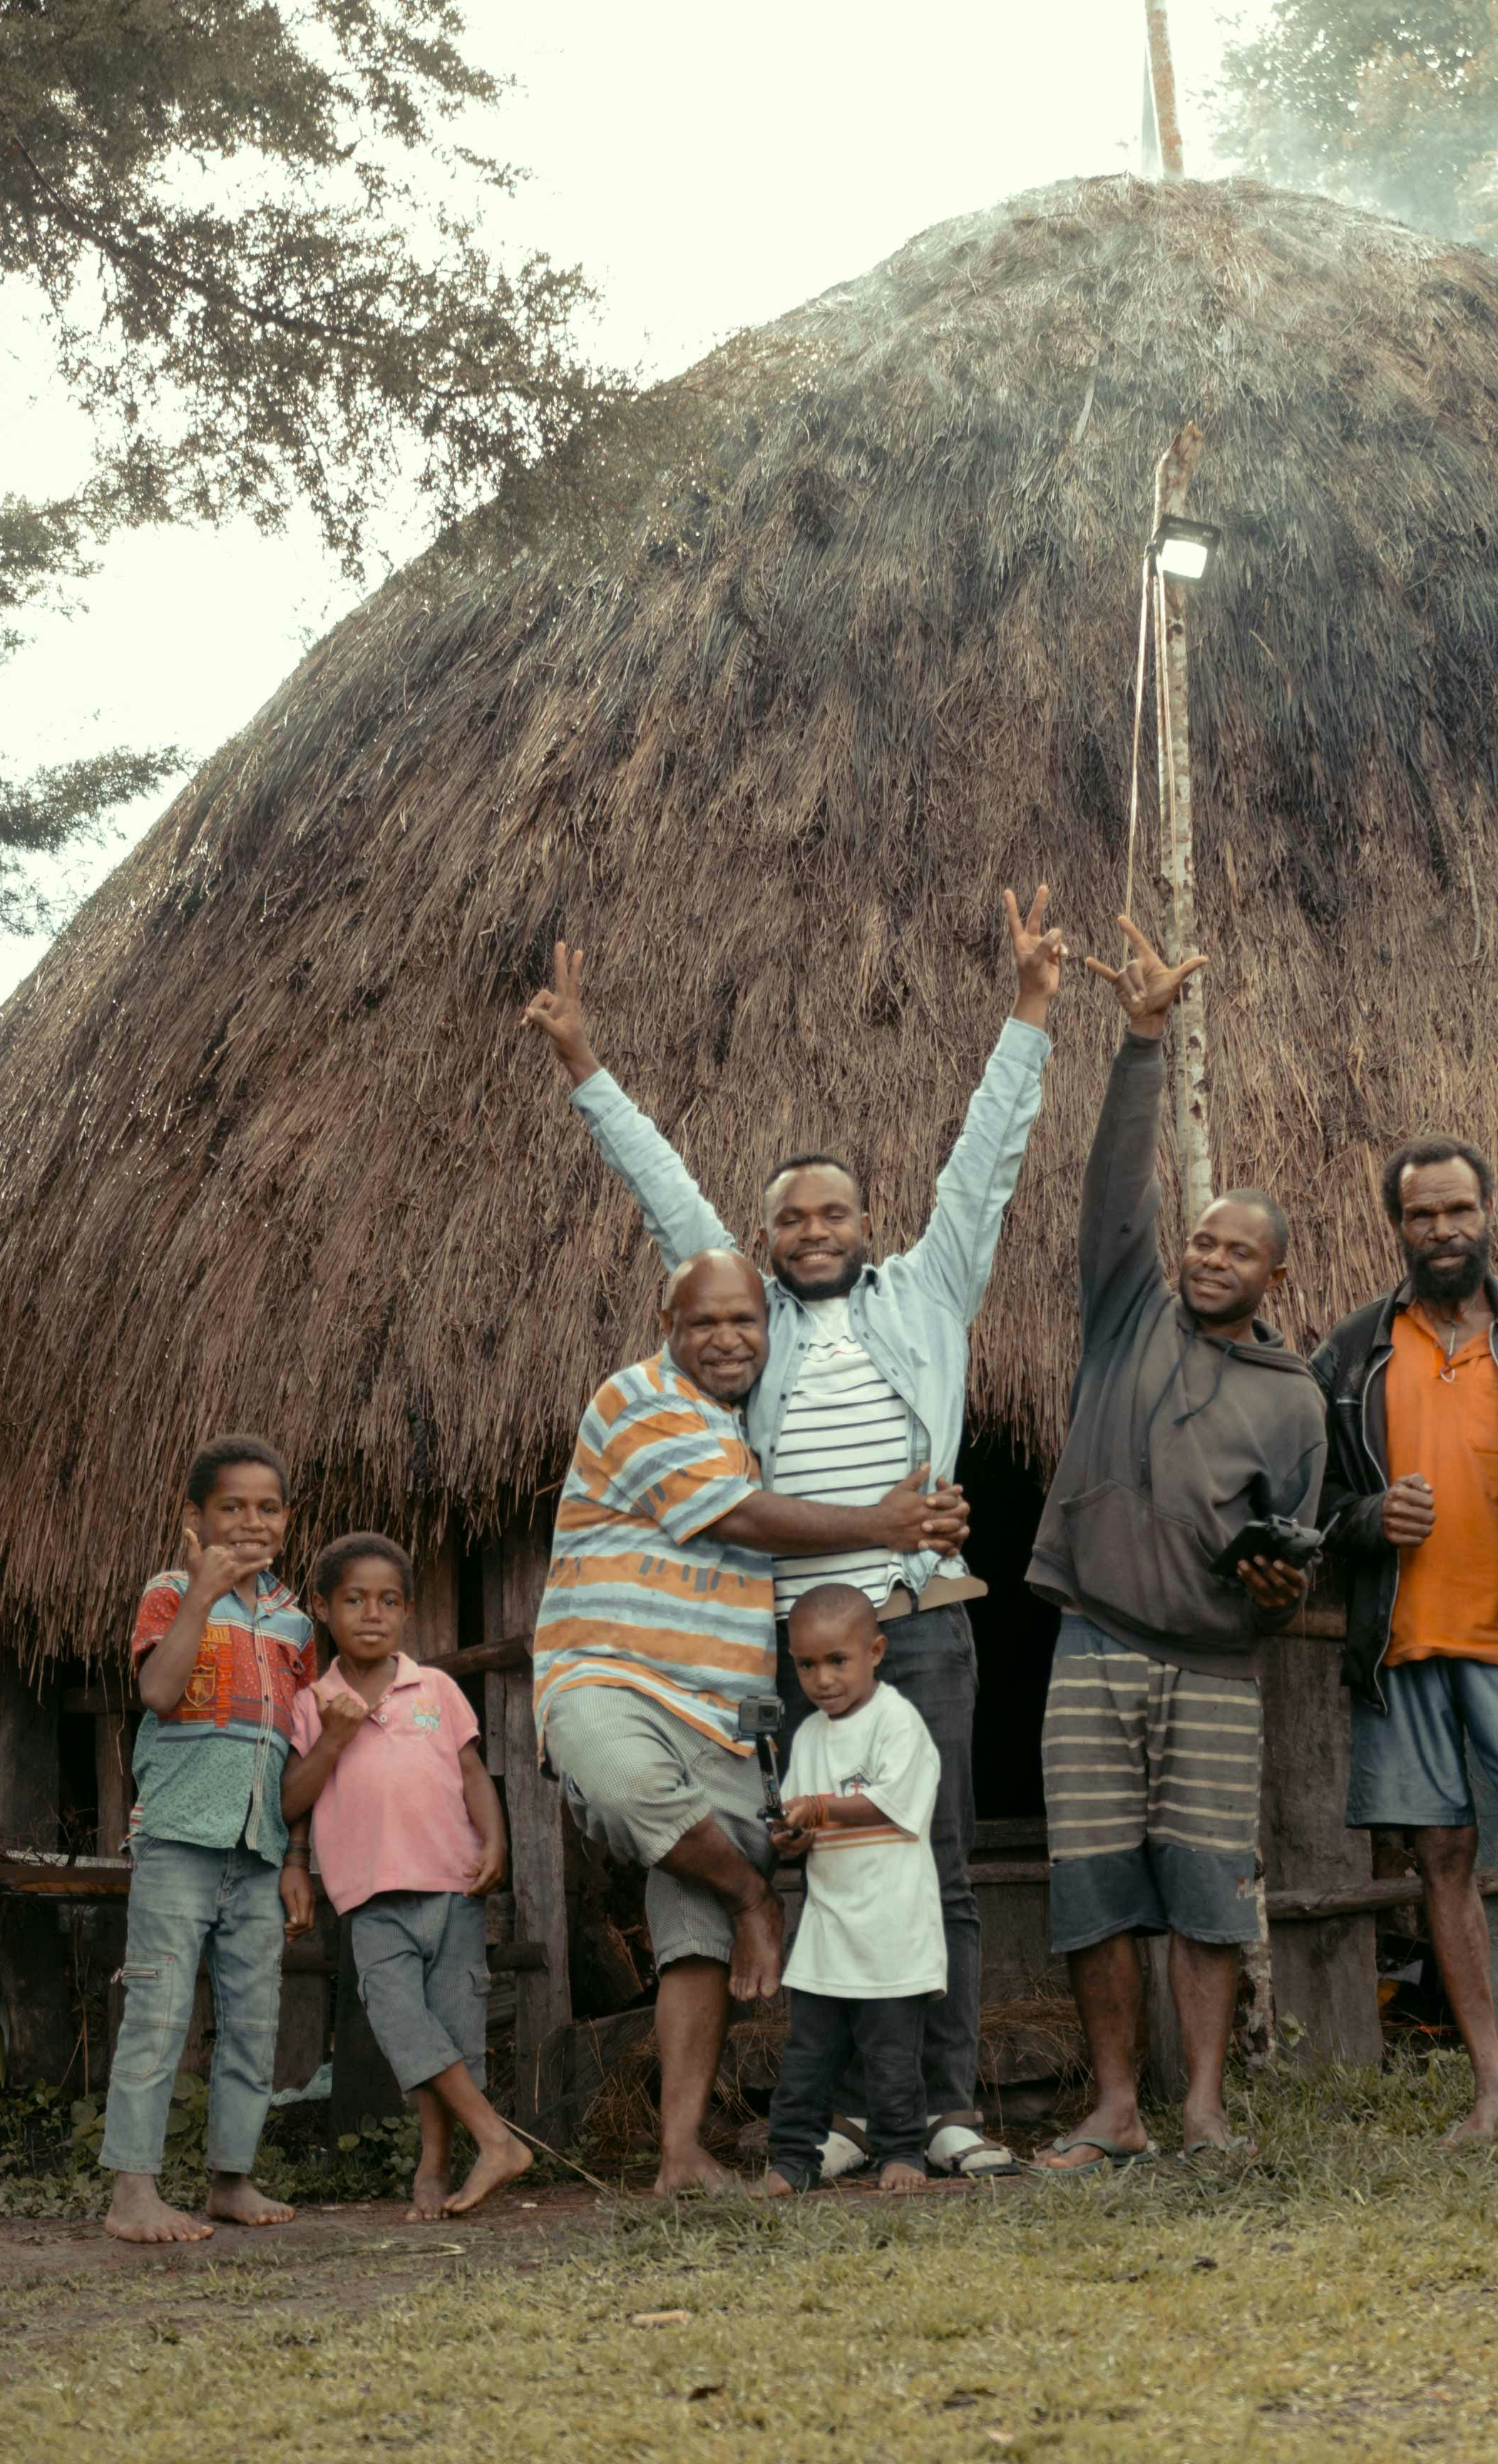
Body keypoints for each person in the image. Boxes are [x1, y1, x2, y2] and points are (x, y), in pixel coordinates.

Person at [521, 888, 1064, 2181]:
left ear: (865, 1225)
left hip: (912, 1622)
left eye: (831, 1214)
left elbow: (984, 1160)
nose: (810, 1233)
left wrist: (1030, 1009)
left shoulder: (929, 1294)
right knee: (820, 1863)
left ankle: (931, 2108)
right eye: (788, 1222)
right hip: (781, 1639)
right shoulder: (742, 1328)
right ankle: (830, 2116)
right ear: (761, 1244)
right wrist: (584, 1064)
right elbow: (664, 1194)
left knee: (929, 1865)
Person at [535, 1246, 969, 2194]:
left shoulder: (754, 1427)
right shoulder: (637, 1401)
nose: (728, 1338)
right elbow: (741, 1519)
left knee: (690, 1920)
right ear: (668, 1327)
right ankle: (756, 1899)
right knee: (633, 1794)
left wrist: (932, 1516)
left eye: (745, 1322)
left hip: (722, 1710)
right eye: (705, 1323)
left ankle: (682, 2152)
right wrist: (883, 1524)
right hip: (611, 1673)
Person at [1025, 917, 1325, 2175]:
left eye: (1233, 1249)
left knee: (1205, 1888)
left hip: (1213, 1667)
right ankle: (1113, 2108)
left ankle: (1199, 2109)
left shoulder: (1295, 1397)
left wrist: (1275, 1578)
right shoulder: (1121, 1312)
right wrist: (1140, 1038)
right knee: (1093, 1881)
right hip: (1091, 1642)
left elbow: (1296, 1556)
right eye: (1198, 1238)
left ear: (1271, 1273)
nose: (1207, 1257)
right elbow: (1112, 1183)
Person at [1311, 1139, 1498, 2145]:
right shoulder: (1355, 1353)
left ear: (1490, 1212)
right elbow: (1313, 1507)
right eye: (1420, 1217)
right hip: (1402, 1648)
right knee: (1441, 1854)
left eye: (1458, 1212)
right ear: (1395, 1227)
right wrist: (1368, 1521)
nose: (1442, 1232)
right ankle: (1492, 2088)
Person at [103, 1434, 318, 2244]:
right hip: (178, 1841)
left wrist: (297, 1856)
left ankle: (232, 2179)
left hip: (259, 1850)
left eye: (267, 1508)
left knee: (254, 2019)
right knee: (157, 2011)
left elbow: (299, 1749)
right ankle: (133, 2193)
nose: (251, 1521)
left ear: (288, 1521)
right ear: (194, 1517)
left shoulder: (295, 1623)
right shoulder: (168, 1592)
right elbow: (159, 1691)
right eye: (232, 1507)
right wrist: (201, 1593)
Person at [279, 1531, 525, 2222]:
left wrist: (496, 1840)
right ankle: (495, 2141)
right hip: (370, 1897)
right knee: (402, 2023)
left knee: (451, 2029)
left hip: (454, 1887)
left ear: (409, 1612)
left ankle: (436, 2168)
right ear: (322, 1608)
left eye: (389, 1601)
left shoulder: (437, 1689)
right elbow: (291, 1802)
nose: (372, 1614)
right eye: (354, 1600)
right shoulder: (311, 1703)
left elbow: (474, 1776)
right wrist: (333, 1736)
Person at [756, 1583, 945, 2197]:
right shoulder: (809, 1735)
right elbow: (808, 1823)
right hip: (828, 1931)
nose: (822, 1679)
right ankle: (791, 2160)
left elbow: (893, 1804)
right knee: (806, 2057)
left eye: (838, 1661)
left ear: (877, 1651)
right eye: (807, 1664)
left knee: (893, 2060)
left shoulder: (898, 1722)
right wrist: (794, 1837)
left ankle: (901, 2152)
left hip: (892, 1932)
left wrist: (817, 1807)